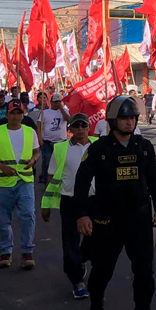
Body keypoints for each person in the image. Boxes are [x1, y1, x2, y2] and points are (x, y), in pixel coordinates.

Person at [74, 96, 156, 310]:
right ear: (113, 120)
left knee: (145, 274)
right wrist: (82, 214)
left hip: (139, 221)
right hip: (107, 221)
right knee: (102, 271)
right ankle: (96, 304)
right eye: (124, 117)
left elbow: (154, 180)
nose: (129, 122)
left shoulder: (144, 147)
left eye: (133, 117)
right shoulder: (99, 149)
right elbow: (81, 182)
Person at [40, 113, 96, 299]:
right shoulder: (60, 149)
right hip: (70, 201)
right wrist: (46, 204)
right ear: (70, 129)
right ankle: (76, 280)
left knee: (95, 241)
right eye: (76, 126)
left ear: (89, 127)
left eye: (84, 125)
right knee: (70, 241)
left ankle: (81, 260)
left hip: (95, 201)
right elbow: (51, 177)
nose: (80, 129)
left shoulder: (98, 145)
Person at [0, 99, 39, 269]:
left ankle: (27, 252)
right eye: (12, 113)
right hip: (3, 182)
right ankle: (5, 251)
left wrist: (34, 160)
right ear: (6, 115)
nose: (15, 116)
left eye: (18, 113)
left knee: (28, 216)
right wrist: (2, 167)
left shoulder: (30, 132)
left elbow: (37, 151)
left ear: (23, 115)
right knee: (3, 220)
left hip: (25, 180)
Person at [38, 92, 69, 184]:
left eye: (59, 101)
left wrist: (61, 109)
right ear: (51, 102)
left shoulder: (65, 111)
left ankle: (58, 180)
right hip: (47, 141)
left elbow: (68, 119)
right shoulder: (45, 112)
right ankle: (46, 180)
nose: (58, 104)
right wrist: (40, 139)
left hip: (61, 142)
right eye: (56, 102)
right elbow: (39, 126)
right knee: (47, 161)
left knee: (60, 162)